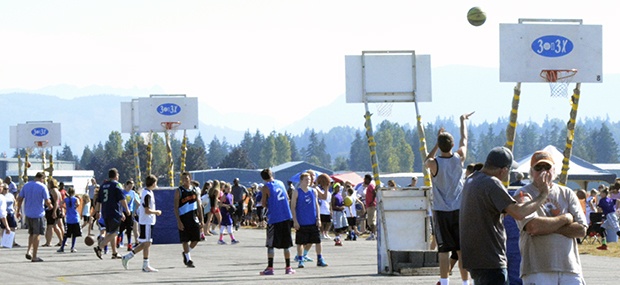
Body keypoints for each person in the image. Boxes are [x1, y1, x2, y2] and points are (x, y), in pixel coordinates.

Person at [460, 146, 551, 285]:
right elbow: (519, 214)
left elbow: (487, 212)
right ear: (503, 170)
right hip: (491, 260)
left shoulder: (472, 179)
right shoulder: (492, 183)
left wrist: (512, 205)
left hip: (474, 259)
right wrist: (542, 196)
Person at [514, 150, 587, 284]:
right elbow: (533, 227)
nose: (543, 171)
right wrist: (565, 219)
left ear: (554, 170)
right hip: (537, 268)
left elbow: (581, 230)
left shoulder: (567, 193)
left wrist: (547, 227)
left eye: (547, 167)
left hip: (569, 267)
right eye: (538, 168)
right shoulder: (523, 193)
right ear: (531, 172)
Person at [423, 112, 473, 285]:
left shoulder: (434, 163)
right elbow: (464, 139)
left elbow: (427, 159)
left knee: (443, 250)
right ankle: (466, 282)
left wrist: (436, 144)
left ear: (439, 145)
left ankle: (444, 282)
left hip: (441, 210)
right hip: (459, 208)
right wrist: (462, 121)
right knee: (461, 250)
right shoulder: (459, 158)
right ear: (452, 145)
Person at [122, 174, 162, 272]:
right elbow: (147, 210)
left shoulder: (148, 192)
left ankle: (128, 257)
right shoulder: (147, 194)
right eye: (155, 182)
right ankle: (145, 264)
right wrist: (156, 212)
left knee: (146, 243)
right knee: (147, 243)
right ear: (152, 183)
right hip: (146, 221)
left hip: (148, 221)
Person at [259, 168, 295, 275]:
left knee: (270, 244)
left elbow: (264, 203)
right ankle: (288, 267)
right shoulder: (280, 183)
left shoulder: (266, 187)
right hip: (286, 215)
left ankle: (270, 268)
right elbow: (287, 198)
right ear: (272, 175)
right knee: (286, 244)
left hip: (274, 218)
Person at [291, 173, 328, 268]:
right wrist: (295, 221)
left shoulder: (313, 191)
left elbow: (316, 205)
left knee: (317, 241)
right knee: (300, 242)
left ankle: (320, 258)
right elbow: (293, 207)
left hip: (312, 221)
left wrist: (318, 218)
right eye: (306, 179)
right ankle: (300, 259)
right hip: (302, 221)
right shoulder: (297, 192)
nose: (309, 181)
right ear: (301, 181)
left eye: (309, 179)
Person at [93, 168, 131, 260]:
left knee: (111, 232)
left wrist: (97, 212)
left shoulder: (103, 185)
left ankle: (114, 253)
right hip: (114, 211)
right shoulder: (117, 185)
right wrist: (126, 210)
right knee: (115, 232)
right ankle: (100, 247)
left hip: (105, 212)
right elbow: (122, 199)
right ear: (115, 175)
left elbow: (99, 201)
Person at [15, 172, 52, 262]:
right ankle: (34, 255)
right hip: (38, 213)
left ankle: (29, 250)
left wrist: (18, 210)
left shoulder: (26, 185)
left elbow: (19, 199)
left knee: (31, 233)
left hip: (28, 213)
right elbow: (47, 201)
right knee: (37, 234)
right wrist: (50, 206)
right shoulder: (42, 187)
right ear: (42, 178)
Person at [173, 172, 204, 268]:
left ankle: (186, 253)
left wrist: (201, 219)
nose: (185, 180)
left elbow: (199, 205)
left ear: (190, 178)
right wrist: (178, 221)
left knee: (196, 239)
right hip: (183, 217)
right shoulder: (179, 191)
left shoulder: (195, 190)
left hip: (193, 218)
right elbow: (176, 207)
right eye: (183, 179)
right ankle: (188, 259)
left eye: (186, 178)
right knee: (185, 239)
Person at [57, 187, 82, 253]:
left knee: (66, 234)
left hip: (68, 219)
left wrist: (65, 208)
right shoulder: (76, 199)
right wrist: (75, 207)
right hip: (75, 218)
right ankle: (72, 247)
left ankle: (62, 247)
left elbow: (60, 204)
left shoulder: (66, 199)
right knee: (74, 235)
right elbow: (78, 204)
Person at [118, 180, 137, 251]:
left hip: (130, 212)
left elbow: (135, 202)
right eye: (129, 186)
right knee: (121, 228)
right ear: (126, 185)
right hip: (123, 211)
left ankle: (129, 244)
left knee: (129, 228)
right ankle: (119, 238)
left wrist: (136, 210)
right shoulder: (122, 192)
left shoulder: (133, 193)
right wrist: (121, 212)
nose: (130, 188)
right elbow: (119, 203)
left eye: (131, 187)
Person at [1, 181, 19, 247]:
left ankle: (13, 241)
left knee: (13, 227)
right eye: (5, 189)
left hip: (11, 213)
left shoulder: (10, 195)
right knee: (3, 228)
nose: (6, 190)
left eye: (8, 189)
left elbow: (14, 202)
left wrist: (16, 210)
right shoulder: (1, 196)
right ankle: (3, 241)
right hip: (4, 214)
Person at [362, 174, 377, 240]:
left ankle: (373, 234)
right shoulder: (369, 186)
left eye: (365, 179)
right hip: (369, 205)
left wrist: (372, 201)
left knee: (372, 221)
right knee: (369, 221)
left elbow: (374, 192)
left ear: (368, 179)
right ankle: (372, 234)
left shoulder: (371, 185)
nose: (364, 180)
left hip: (371, 205)